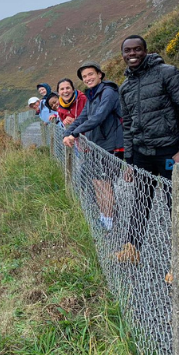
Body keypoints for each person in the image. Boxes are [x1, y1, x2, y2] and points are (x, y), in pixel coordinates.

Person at [117, 35, 179, 260]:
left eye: (137, 49)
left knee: (177, 206)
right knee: (140, 203)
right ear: (123, 55)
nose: (132, 54)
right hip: (142, 154)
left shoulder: (168, 73)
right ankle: (132, 250)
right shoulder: (125, 88)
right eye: (128, 51)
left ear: (145, 50)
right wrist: (130, 162)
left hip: (169, 152)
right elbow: (129, 127)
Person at [62, 62, 124, 231]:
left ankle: (109, 221)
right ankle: (105, 216)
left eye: (91, 74)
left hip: (111, 145)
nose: (88, 78)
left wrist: (74, 134)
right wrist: (67, 133)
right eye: (84, 77)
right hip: (99, 145)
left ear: (100, 75)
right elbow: (83, 118)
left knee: (105, 183)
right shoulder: (93, 95)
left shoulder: (108, 92)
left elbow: (98, 117)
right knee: (98, 182)